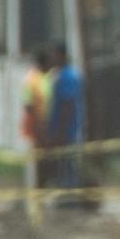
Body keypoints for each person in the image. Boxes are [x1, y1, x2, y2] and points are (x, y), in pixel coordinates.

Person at [37, 43, 85, 204]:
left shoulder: (67, 77)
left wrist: (59, 132)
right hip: (61, 128)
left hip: (67, 130)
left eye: (54, 54)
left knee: (67, 164)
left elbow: (67, 106)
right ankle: (65, 195)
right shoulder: (59, 75)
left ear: (61, 55)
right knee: (61, 163)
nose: (52, 58)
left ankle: (70, 198)